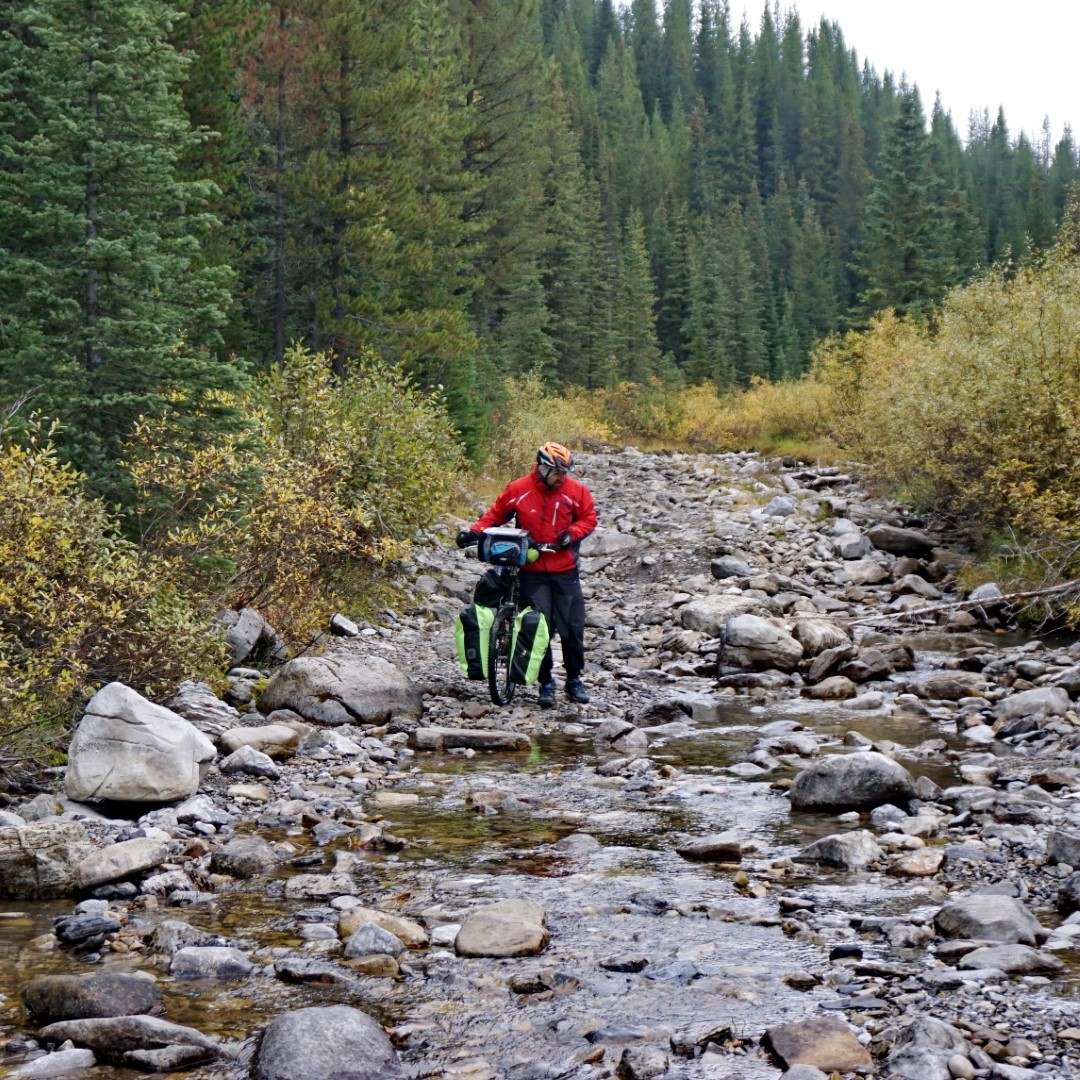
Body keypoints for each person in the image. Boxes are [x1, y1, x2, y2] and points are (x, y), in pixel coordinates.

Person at [456, 442, 597, 707]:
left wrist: (572, 534)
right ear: (542, 468)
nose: (561, 477)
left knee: (572, 626)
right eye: (557, 472)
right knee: (537, 625)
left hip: (565, 570)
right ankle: (545, 683)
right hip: (531, 571)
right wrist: (473, 532)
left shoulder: (575, 491)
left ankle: (574, 679)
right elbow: (495, 515)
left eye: (565, 472)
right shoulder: (519, 489)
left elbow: (589, 518)